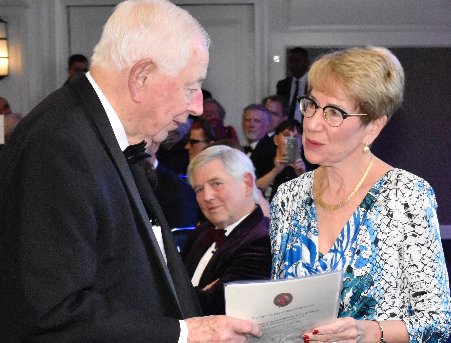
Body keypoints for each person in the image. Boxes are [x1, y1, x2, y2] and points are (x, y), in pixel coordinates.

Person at [0, 0, 261, 341]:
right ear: (141, 76)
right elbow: (51, 312)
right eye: (190, 87)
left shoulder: (92, 130)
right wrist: (183, 334)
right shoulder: (58, 146)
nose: (197, 106)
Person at [270, 47, 451, 342]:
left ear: (373, 127)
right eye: (312, 105)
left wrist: (371, 331)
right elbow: (282, 307)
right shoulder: (288, 197)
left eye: (334, 113)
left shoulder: (406, 196)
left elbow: (438, 321)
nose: (313, 123)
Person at [182, 145, 271, 315]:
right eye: (199, 189)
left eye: (216, 183)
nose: (207, 196)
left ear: (247, 183)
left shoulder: (264, 240)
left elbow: (216, 308)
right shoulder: (200, 233)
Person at [255, 119, 305, 201]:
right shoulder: (263, 161)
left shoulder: (310, 166)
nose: (290, 140)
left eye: (295, 137)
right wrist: (275, 171)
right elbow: (252, 192)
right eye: (286, 135)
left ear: (301, 142)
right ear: (276, 140)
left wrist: (302, 175)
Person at [241, 104, 276, 179]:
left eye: (257, 121)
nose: (251, 125)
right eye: (248, 120)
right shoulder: (240, 150)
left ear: (267, 125)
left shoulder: (271, 152)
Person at [276, 47, 310, 120]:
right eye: (291, 62)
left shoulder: (315, 83)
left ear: (307, 63)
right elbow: (279, 107)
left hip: (308, 124)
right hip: (286, 126)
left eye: (298, 61)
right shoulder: (282, 84)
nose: (294, 64)